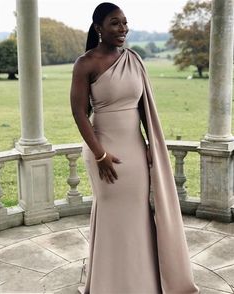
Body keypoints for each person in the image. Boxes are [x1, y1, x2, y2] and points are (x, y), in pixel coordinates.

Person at [70, 2, 200, 294]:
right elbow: (79, 112)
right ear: (98, 28)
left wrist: (152, 146)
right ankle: (110, 284)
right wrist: (100, 154)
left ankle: (141, 283)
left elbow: (144, 109)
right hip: (102, 149)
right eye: (115, 23)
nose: (122, 29)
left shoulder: (135, 60)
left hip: (135, 150)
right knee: (112, 214)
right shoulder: (85, 63)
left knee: (138, 214)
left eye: (125, 23)